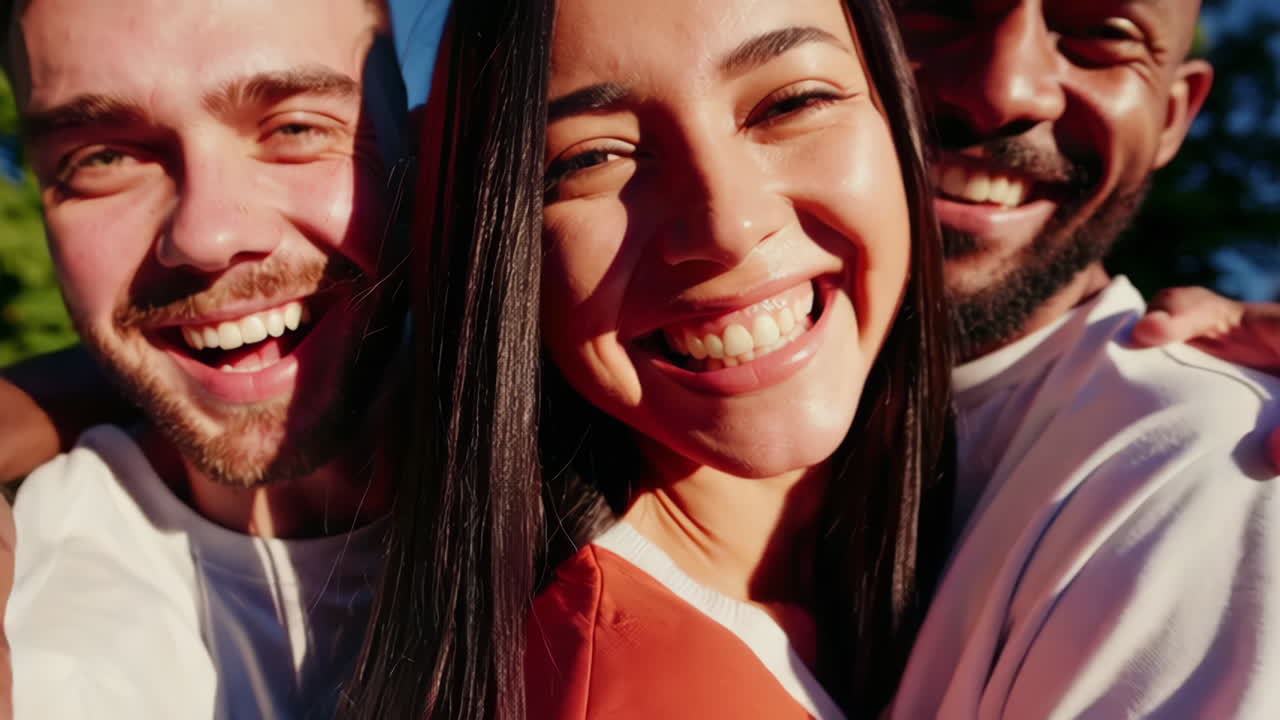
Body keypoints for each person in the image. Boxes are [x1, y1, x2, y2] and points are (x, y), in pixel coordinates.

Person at [0, 0, 445, 716]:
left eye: (297, 128)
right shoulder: (32, 619)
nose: (206, 235)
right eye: (104, 158)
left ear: (420, 146)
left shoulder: (633, 486)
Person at [889, 0, 1280, 716]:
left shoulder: (1207, 462)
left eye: (1104, 35)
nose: (1004, 91)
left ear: (1171, 117)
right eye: (940, 5)